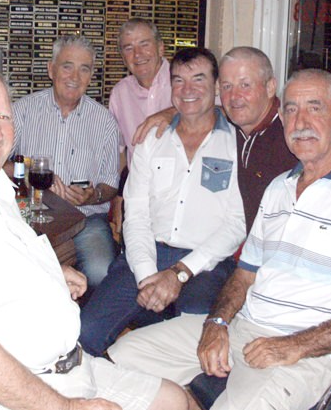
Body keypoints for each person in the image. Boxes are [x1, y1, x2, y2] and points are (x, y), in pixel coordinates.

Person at [0, 60, 188, 410]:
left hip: (69, 367)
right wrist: (67, 408)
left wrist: (49, 275)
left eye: (3, 117)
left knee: (175, 400)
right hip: (12, 392)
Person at [108, 69, 331, 410]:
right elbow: (244, 275)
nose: (301, 122)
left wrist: (294, 345)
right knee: (123, 360)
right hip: (244, 329)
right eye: (291, 109)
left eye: (315, 108)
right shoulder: (279, 188)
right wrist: (217, 322)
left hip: (308, 354)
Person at [79, 48, 245, 358]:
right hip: (148, 254)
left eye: (199, 79)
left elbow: (236, 225)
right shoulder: (152, 139)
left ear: (216, 86)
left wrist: (179, 273)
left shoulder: (237, 143)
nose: (187, 89)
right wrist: (146, 276)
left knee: (191, 343)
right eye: (178, 81)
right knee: (86, 333)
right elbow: (136, 216)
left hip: (205, 263)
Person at [133, 46, 295, 231]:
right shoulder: (239, 130)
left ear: (270, 87)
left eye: (245, 85)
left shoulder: (289, 137)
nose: (234, 96)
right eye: (227, 86)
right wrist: (175, 111)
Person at [12, 35, 119, 290]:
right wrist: (27, 171)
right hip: (28, 214)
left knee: (101, 271)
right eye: (67, 66)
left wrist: (93, 196)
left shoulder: (105, 122)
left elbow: (111, 184)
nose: (75, 77)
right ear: (51, 69)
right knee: (12, 269)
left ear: (91, 76)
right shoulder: (22, 111)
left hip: (85, 217)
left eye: (84, 69)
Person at [108, 18, 173, 239]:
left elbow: (221, 111)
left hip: (182, 197)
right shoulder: (120, 93)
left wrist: (173, 112)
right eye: (129, 48)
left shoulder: (185, 80)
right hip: (139, 200)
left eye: (144, 44)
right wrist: (118, 198)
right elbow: (120, 155)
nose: (137, 54)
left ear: (161, 48)